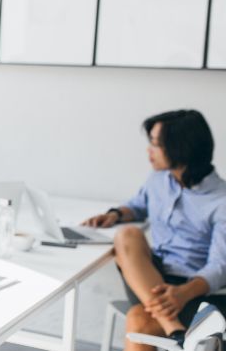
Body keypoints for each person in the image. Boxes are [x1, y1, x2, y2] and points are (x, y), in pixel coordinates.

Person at [82, 110, 226, 350]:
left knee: (138, 320)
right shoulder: (158, 179)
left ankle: (175, 330)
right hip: (150, 279)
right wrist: (115, 214)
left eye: (156, 144)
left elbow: (219, 268)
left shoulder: (221, 200)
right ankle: (175, 330)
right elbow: (138, 206)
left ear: (181, 147)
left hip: (197, 291)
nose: (149, 150)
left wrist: (182, 293)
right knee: (128, 235)